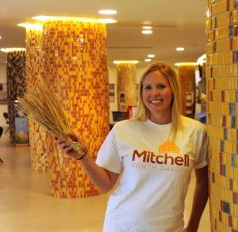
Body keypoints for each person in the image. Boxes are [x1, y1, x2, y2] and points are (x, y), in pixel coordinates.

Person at [57, 63, 209, 232]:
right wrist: (83, 156)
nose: (154, 93)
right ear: (141, 93)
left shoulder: (195, 132)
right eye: (147, 87)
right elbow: (105, 184)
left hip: (169, 227)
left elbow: (204, 182)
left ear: (173, 89)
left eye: (161, 86)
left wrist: (193, 225)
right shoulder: (123, 129)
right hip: (123, 225)